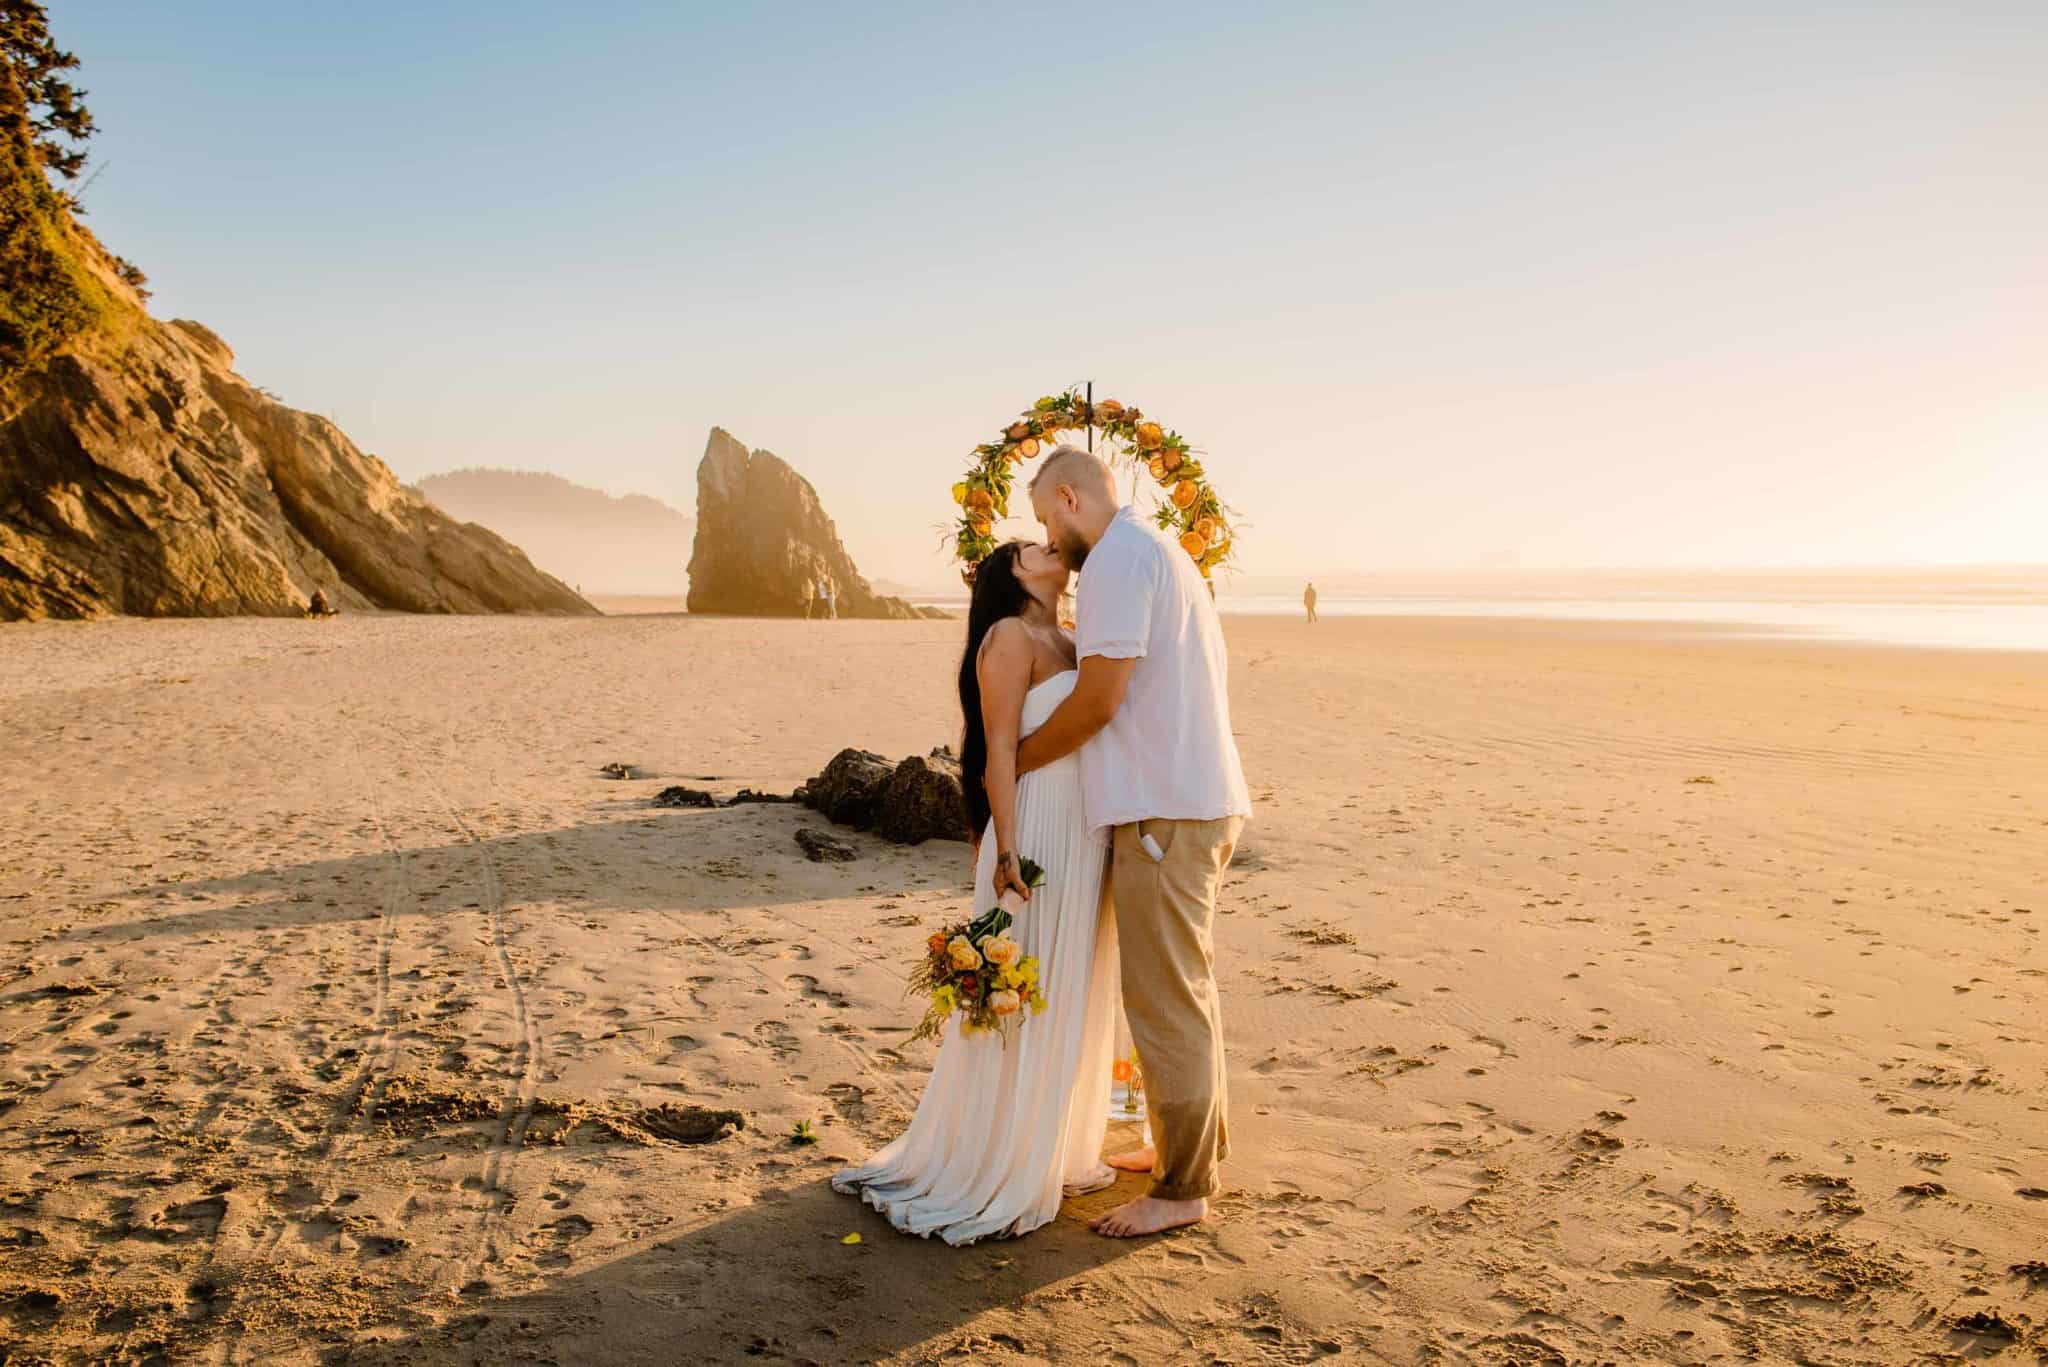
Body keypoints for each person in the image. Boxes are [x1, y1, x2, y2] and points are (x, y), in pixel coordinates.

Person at [831, 540, 1120, 1244]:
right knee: (1018, 996)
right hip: (1033, 828)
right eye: (1033, 547)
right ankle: (996, 1156)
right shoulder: (1008, 637)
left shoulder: (1078, 638)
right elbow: (995, 749)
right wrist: (1009, 847)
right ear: (1011, 575)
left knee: (1069, 986)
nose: (1051, 548)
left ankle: (1049, 1142)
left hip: (1081, 833)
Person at [1016, 446, 1252, 1239]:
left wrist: (1018, 760)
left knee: (1162, 997)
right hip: (1192, 800)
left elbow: (1099, 700)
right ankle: (1188, 1148)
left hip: (1165, 812)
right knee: (1185, 986)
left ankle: (1185, 1184)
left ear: (1072, 498)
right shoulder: (1159, 552)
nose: (1050, 536)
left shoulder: (1116, 563)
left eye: (1048, 517)